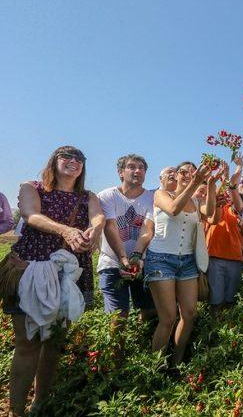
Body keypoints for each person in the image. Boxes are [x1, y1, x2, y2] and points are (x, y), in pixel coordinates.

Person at [5, 146, 104, 415]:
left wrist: (93, 231)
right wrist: (66, 230)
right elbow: (30, 215)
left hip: (68, 276)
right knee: (28, 343)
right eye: (67, 157)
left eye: (79, 159)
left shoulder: (87, 196)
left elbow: (98, 216)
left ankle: (40, 403)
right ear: (54, 161)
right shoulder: (32, 187)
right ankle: (15, 410)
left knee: (54, 341)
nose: (73, 162)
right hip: (30, 268)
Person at [145, 161, 217, 366]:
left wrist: (210, 184)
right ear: (175, 176)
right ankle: (155, 368)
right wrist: (197, 181)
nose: (187, 175)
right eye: (183, 172)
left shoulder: (195, 200)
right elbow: (174, 209)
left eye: (191, 172)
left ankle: (176, 364)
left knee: (190, 314)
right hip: (161, 259)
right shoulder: (161, 195)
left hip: (187, 262)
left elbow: (210, 212)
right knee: (168, 318)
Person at [97, 154, 156, 332]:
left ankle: (140, 348)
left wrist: (136, 257)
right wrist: (123, 259)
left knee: (150, 311)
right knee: (118, 318)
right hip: (112, 262)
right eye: (131, 167)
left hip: (141, 263)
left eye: (141, 167)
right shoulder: (107, 195)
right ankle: (116, 358)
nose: (137, 170)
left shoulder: (152, 198)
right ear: (120, 172)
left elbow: (147, 229)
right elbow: (110, 228)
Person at [205, 157, 243, 312]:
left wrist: (235, 171)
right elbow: (216, 194)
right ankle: (215, 332)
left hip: (235, 258)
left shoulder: (236, 208)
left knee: (231, 300)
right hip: (215, 257)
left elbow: (238, 202)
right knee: (216, 301)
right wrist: (224, 176)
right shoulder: (212, 207)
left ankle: (229, 330)